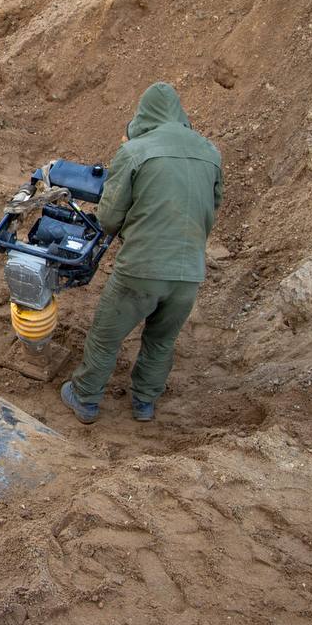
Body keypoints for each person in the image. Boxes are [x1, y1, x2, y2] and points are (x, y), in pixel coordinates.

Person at [60, 82, 223, 424]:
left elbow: (107, 218)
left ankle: (85, 397)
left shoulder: (135, 151)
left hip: (142, 267)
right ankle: (145, 403)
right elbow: (213, 206)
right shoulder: (210, 153)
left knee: (106, 335)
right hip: (189, 271)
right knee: (161, 340)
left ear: (143, 114)